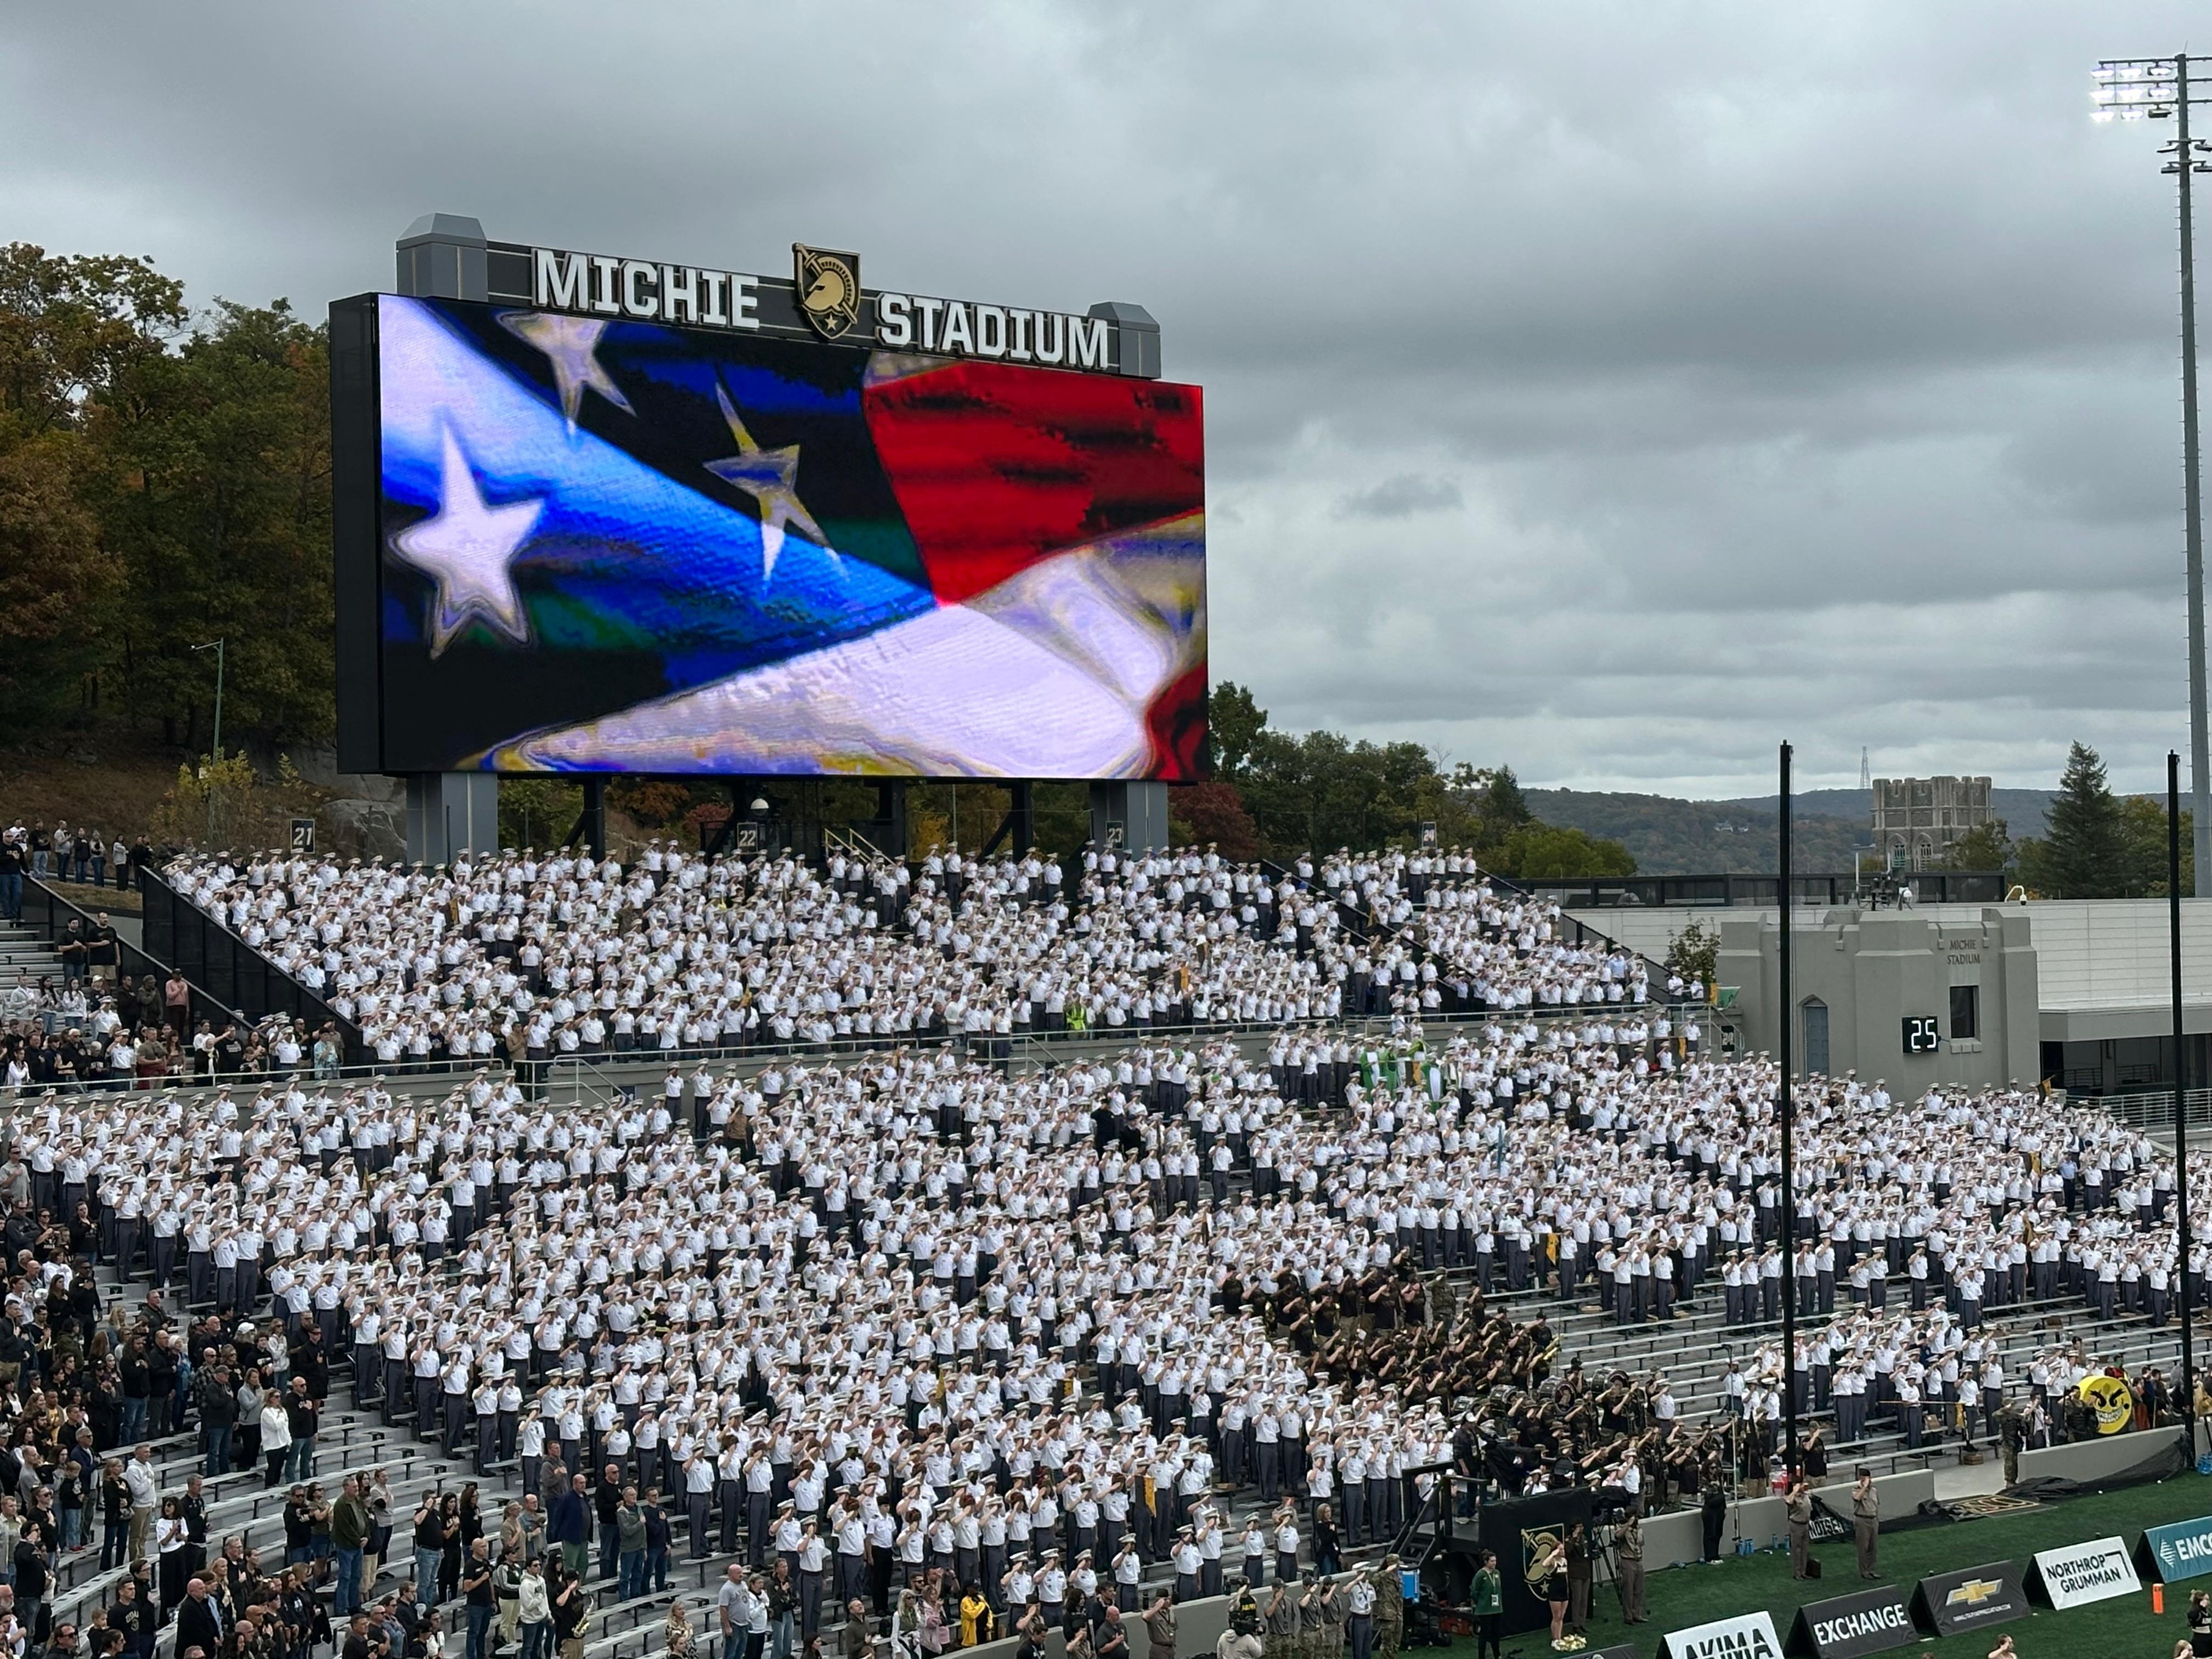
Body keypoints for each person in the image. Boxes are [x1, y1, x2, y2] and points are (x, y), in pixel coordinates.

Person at [1468, 1550, 1501, 1659]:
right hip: (1485, 1610)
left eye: (1495, 1561)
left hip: (1497, 1608)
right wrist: (1481, 1603)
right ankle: (1481, 1657)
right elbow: (1474, 1592)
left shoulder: (1497, 1573)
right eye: (1492, 1561)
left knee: (1495, 1634)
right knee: (1484, 1634)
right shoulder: (1480, 1575)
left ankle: (1498, 1655)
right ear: (1486, 1562)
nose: (1494, 1563)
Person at [1852, 1468, 1879, 1581]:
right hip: (1862, 1520)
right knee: (1864, 1547)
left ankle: (1871, 1570)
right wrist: (1864, 1487)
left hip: (1873, 1520)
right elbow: (1857, 1498)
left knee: (1873, 1548)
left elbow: (1876, 1505)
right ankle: (1864, 1571)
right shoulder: (1856, 1490)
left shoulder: (1874, 1490)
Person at [1786, 1476, 1814, 1580]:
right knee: (1797, 1550)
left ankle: (1804, 1571)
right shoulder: (1793, 1497)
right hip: (1796, 1525)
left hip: (1805, 1525)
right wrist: (1795, 1491)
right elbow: (1788, 1502)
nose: (1803, 1486)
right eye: (1800, 1484)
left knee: (1805, 1549)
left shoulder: (1805, 1495)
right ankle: (1797, 1573)